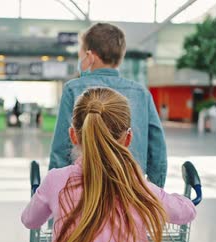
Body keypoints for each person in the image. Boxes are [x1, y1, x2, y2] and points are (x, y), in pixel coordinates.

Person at [22, 87, 196, 242]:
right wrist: (188, 199)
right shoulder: (136, 185)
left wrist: (43, 196)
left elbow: (29, 219)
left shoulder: (56, 181)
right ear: (128, 138)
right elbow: (184, 212)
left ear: (73, 135)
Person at [49, 23, 167, 187]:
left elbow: (61, 149)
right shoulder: (142, 93)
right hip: (130, 191)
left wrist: (55, 192)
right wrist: (155, 190)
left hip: (86, 192)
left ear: (89, 55)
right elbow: (157, 150)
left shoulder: (73, 89)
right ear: (120, 56)